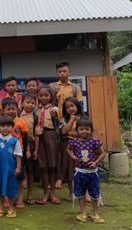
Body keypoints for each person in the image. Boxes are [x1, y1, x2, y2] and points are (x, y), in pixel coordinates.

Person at [49, 61, 83, 189]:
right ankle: (59, 178)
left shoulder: (75, 87)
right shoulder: (52, 86)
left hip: (72, 120)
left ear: (69, 72)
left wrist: (79, 119)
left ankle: (72, 181)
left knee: (72, 152)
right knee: (59, 152)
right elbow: (48, 102)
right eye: (59, 71)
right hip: (56, 121)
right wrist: (53, 94)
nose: (62, 73)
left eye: (64, 71)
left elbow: (79, 104)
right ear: (57, 73)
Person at [67, 118, 106, 223]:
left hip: (92, 173)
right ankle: (83, 212)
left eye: (87, 129)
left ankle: (95, 213)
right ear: (77, 130)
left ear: (91, 130)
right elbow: (68, 149)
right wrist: (73, 156)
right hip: (80, 172)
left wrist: (96, 163)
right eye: (81, 129)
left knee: (94, 194)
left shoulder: (94, 142)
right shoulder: (74, 142)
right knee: (80, 193)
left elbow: (103, 153)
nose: (84, 131)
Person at [0, 116, 22, 218]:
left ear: (12, 127)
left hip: (10, 169)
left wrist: (18, 167)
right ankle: (0, 208)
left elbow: (18, 155)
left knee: (10, 188)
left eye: (8, 126)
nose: (5, 128)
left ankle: (11, 208)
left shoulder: (14, 141)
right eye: (3, 126)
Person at [33, 85, 60, 205]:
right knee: (42, 166)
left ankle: (53, 193)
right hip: (39, 137)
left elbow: (57, 114)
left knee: (52, 165)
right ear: (37, 97)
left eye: (46, 95)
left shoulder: (53, 109)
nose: (43, 97)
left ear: (51, 96)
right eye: (41, 95)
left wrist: (55, 112)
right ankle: (45, 192)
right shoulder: (35, 110)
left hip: (51, 136)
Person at [0, 97, 28, 209]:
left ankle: (19, 199)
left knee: (19, 177)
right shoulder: (1, 122)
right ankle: (6, 198)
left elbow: (25, 138)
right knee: (6, 176)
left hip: (18, 154)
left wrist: (28, 150)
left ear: (17, 109)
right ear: (4, 111)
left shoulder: (21, 122)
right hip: (5, 154)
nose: (11, 111)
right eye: (8, 109)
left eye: (13, 108)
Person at [58, 97, 85, 201]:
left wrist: (71, 134)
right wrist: (72, 120)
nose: (70, 109)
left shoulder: (84, 119)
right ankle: (71, 192)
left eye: (72, 106)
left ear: (77, 106)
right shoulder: (64, 119)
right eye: (67, 107)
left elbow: (84, 133)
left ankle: (84, 193)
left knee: (82, 169)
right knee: (70, 170)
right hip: (67, 146)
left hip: (82, 146)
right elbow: (63, 132)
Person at [18, 93, 38, 205]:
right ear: (22, 103)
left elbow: (38, 135)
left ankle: (30, 194)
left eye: (32, 103)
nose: (30, 105)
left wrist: (34, 150)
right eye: (27, 102)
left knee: (30, 171)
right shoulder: (17, 116)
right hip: (18, 145)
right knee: (19, 170)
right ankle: (17, 195)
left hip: (31, 144)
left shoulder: (36, 117)